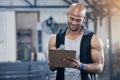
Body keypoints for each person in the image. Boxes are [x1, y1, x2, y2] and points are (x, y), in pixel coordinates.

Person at [48, 3, 104, 80]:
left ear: (84, 18)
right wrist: (58, 59)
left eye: (78, 20)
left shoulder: (93, 39)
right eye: (72, 19)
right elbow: (51, 68)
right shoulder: (55, 39)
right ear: (67, 15)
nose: (74, 23)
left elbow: (99, 67)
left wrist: (81, 66)